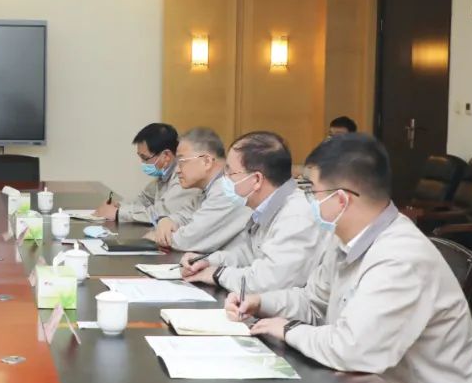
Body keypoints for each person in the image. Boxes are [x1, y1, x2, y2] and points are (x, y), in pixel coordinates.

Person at [228, 133, 472, 383]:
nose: (307, 200)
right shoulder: (345, 239)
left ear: (340, 199)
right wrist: (261, 302)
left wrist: (288, 330)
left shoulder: (400, 258)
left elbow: (351, 350)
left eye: (311, 191)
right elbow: (313, 302)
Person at [180, 131, 327, 292]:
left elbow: (268, 282)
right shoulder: (266, 208)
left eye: (230, 173)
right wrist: (208, 261)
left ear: (256, 179)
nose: (224, 179)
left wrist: (218, 274)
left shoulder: (297, 215)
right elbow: (249, 254)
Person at [149, 127, 251, 252]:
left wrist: (156, 237)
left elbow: (189, 240)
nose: (177, 170)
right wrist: (167, 220)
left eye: (182, 162)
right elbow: (185, 215)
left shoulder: (228, 190)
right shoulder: (207, 189)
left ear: (206, 161)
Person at [94, 123, 201, 225]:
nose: (142, 163)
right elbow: (143, 200)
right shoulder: (164, 174)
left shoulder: (184, 177)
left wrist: (118, 213)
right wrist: (118, 206)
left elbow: (162, 213)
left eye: (145, 158)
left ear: (166, 155)